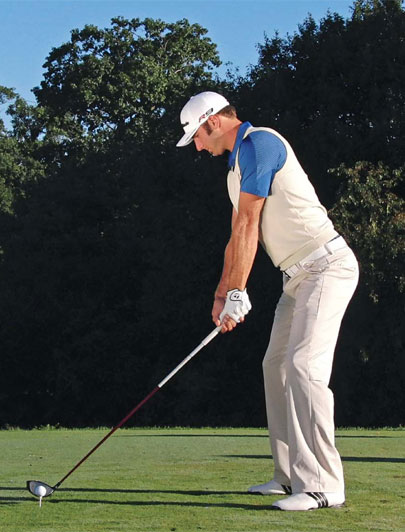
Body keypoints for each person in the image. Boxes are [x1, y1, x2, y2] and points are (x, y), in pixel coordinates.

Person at [176, 91, 359, 511]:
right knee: (275, 365)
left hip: (327, 267)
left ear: (213, 122)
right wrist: (223, 293)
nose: (198, 147)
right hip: (296, 278)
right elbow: (237, 236)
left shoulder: (260, 144)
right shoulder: (235, 170)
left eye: (197, 137)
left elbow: (249, 222)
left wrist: (238, 291)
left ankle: (323, 485)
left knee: (303, 367)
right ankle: (289, 474)